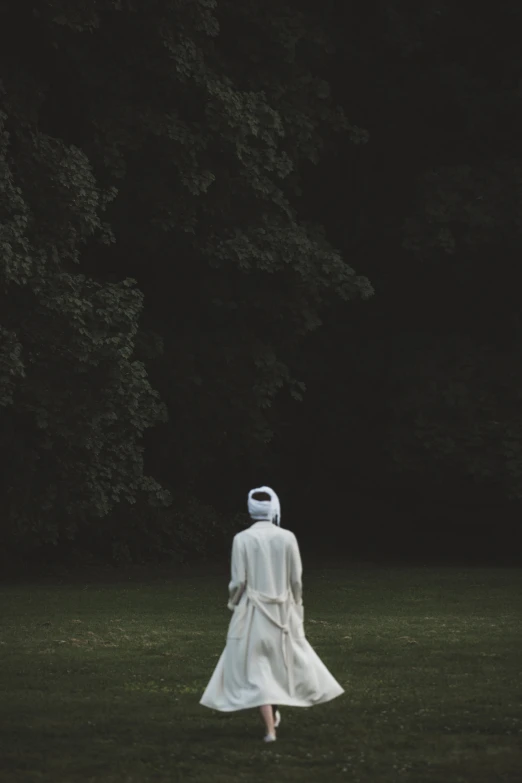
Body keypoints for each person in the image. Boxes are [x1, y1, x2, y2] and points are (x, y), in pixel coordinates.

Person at [199, 485, 344, 742]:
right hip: (282, 612)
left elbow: (237, 581)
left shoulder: (242, 539)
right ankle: (271, 726)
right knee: (275, 665)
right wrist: (296, 605)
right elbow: (296, 579)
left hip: (254, 612)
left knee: (259, 669)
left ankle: (270, 728)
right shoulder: (287, 537)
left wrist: (233, 603)